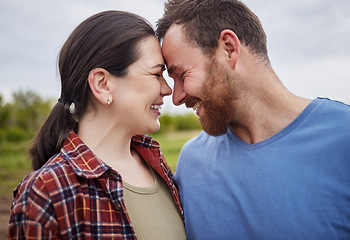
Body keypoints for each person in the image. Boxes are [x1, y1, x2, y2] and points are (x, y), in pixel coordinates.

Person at [156, 0, 350, 239]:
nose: (176, 97)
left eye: (182, 74)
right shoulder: (190, 164)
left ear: (229, 48)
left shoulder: (344, 138)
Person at [8, 10, 186, 240]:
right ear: (102, 84)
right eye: (156, 74)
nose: (167, 89)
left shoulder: (159, 167)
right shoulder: (45, 192)